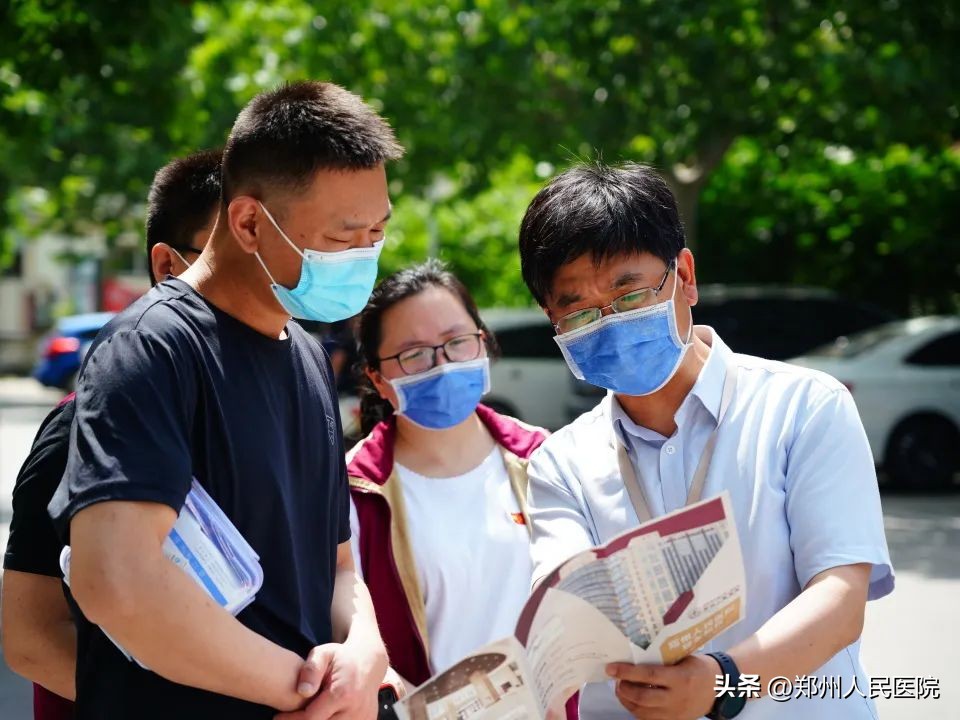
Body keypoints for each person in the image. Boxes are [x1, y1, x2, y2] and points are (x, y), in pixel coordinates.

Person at [47, 81, 403, 719]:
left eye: (377, 231)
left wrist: (364, 653)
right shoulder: (151, 347)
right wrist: (304, 692)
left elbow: (338, 566)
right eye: (344, 236)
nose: (365, 254)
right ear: (248, 222)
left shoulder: (307, 357)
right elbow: (116, 581)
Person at [516, 161, 893, 720]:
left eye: (629, 295)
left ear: (685, 277)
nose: (610, 323)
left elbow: (840, 597)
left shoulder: (804, 407)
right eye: (578, 312)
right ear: (552, 319)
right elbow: (570, 613)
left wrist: (725, 682)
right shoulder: (560, 465)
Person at [1, 147, 222, 720]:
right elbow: (29, 636)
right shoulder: (82, 424)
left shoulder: (278, 406)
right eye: (229, 259)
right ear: (167, 265)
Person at [346, 261, 561, 694]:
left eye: (457, 342)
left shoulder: (543, 458)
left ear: (483, 342)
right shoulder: (355, 491)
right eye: (414, 354)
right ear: (377, 379)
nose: (442, 365)